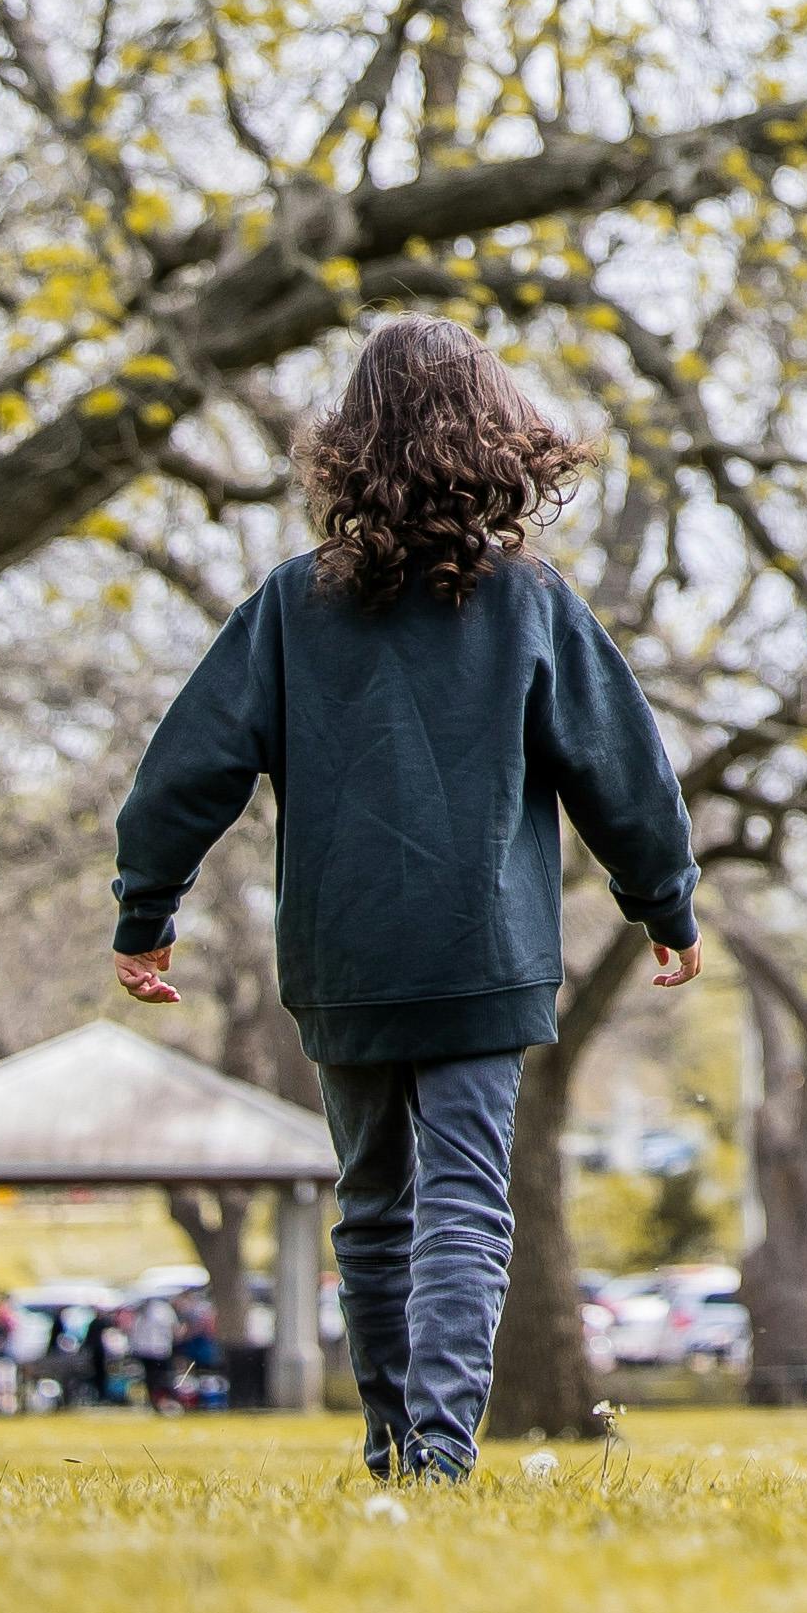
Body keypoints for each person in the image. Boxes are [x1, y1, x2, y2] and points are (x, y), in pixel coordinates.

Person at [109, 317, 701, 1487]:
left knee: (375, 1204)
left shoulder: (290, 604)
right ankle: (438, 1452)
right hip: (484, 945)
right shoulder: (529, 598)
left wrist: (146, 909)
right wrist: (664, 901)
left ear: (346, 442)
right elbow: (620, 764)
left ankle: (389, 1445)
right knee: (465, 1202)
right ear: (497, 435)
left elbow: (186, 769)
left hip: (344, 950)